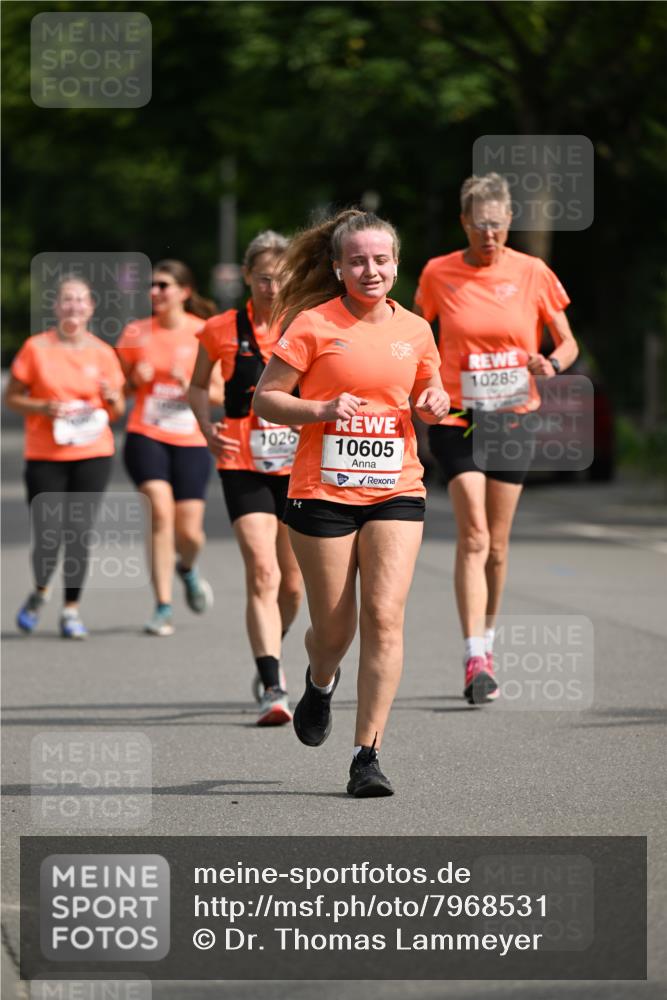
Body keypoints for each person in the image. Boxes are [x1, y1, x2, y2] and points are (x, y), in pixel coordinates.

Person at [252, 209, 450, 796]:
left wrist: (434, 400)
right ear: (338, 267)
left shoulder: (415, 329)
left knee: (385, 617)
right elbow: (266, 400)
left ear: (396, 265)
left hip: (396, 487)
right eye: (358, 260)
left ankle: (367, 755)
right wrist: (319, 409)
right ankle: (319, 680)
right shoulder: (313, 324)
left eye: (381, 259)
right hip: (321, 491)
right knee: (334, 629)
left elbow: (427, 391)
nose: (371, 269)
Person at [414, 172, 578, 705]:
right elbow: (418, 337)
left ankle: (488, 638)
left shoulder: (532, 272)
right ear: (464, 222)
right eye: (479, 224)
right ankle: (473, 656)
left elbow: (568, 342)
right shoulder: (439, 273)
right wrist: (424, 386)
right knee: (475, 535)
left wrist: (548, 362)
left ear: (510, 222)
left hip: (513, 415)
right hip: (459, 415)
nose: (489, 234)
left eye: (497, 224)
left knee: (499, 547)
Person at [189, 231, 303, 727]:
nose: (273, 288)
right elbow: (195, 387)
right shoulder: (219, 328)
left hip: (299, 467)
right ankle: (273, 683)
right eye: (263, 279)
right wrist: (206, 429)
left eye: (281, 279)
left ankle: (270, 649)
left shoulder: (306, 327)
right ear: (247, 277)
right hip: (242, 463)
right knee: (263, 571)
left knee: (294, 585)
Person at [6, 275, 125, 638]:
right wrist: (42, 406)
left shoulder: (103, 353)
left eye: (80, 301)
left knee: (78, 532)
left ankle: (71, 609)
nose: (73, 306)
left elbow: (117, 410)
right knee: (47, 535)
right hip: (45, 453)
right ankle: (40, 590)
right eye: (67, 300)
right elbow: (11, 397)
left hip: (92, 451)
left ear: (90, 308)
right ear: (56, 308)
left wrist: (110, 397)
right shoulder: (35, 348)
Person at [116, 259, 220, 636]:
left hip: (190, 437)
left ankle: (187, 569)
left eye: (163, 285)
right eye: (152, 286)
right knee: (159, 510)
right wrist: (132, 380)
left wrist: (192, 384)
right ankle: (162, 605)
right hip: (146, 433)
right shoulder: (135, 332)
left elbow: (221, 393)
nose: (155, 292)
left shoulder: (204, 333)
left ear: (184, 292)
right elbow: (116, 391)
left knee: (190, 533)